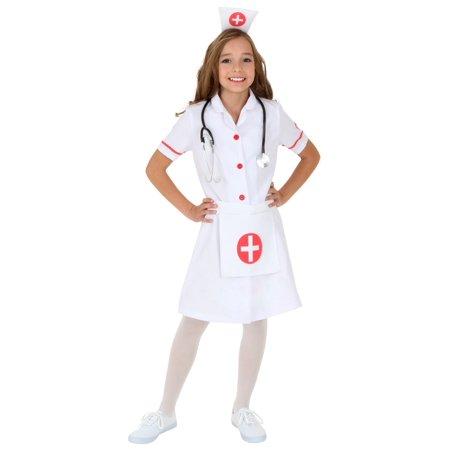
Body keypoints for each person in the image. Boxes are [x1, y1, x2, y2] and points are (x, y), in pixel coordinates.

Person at [128, 6, 320, 444]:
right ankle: (165, 410)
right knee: (195, 317)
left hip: (259, 229)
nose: (238, 68)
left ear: (257, 66)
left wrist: (285, 194)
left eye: (246, 59)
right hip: (218, 230)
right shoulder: (197, 117)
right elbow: (155, 168)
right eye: (228, 60)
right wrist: (189, 209)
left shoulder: (271, 113)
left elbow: (311, 155)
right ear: (213, 68)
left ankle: (242, 408)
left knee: (255, 315)